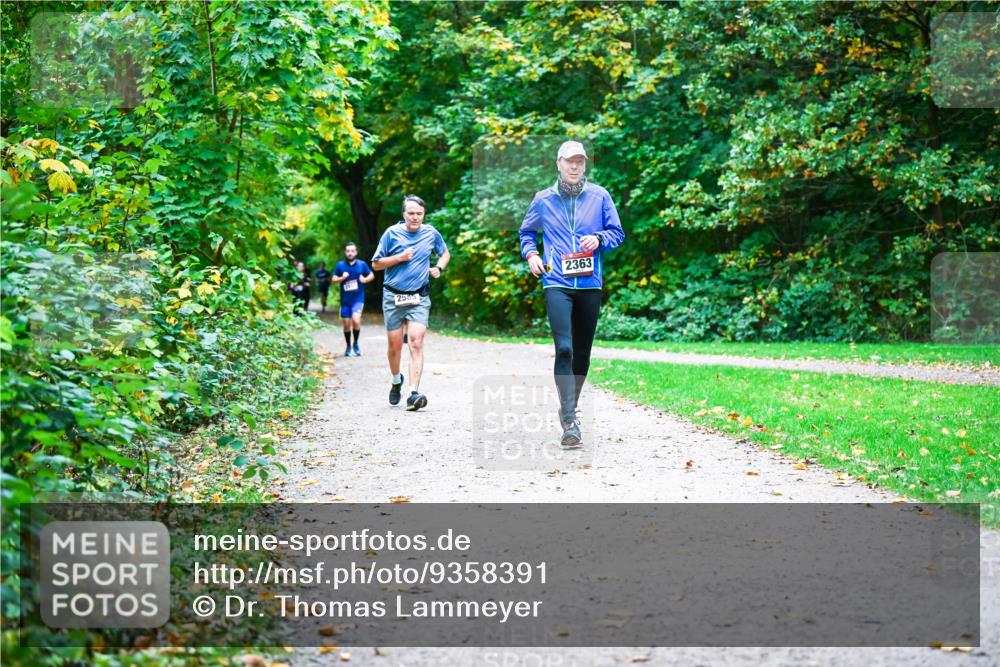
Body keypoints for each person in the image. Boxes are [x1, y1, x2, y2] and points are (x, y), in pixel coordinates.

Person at [518, 140, 625, 447]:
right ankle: (569, 420)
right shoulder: (543, 199)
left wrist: (599, 238)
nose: (575, 166)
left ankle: (569, 405)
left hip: (590, 283)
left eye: (580, 161)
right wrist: (531, 255)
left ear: (584, 165)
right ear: (559, 164)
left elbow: (617, 233)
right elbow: (527, 233)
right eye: (570, 161)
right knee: (564, 348)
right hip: (556, 281)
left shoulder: (600, 196)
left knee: (582, 353)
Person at [371, 195, 450, 411]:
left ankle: (413, 393)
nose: (415, 217)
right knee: (394, 347)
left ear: (423, 214)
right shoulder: (391, 233)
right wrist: (399, 258)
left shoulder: (430, 233)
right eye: (411, 213)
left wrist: (439, 268)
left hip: (419, 297)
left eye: (419, 214)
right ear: (404, 214)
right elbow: (376, 264)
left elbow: (445, 253)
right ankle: (397, 380)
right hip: (393, 297)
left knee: (416, 341)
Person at [331, 243, 374, 357]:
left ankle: (356, 344)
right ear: (345, 252)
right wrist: (342, 278)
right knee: (346, 325)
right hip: (345, 300)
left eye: (352, 251)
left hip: (358, 298)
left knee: (356, 320)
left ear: (356, 252)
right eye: (348, 251)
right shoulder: (340, 265)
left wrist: (365, 280)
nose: (350, 253)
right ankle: (348, 346)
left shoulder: (361, 264)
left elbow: (371, 275)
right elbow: (333, 279)